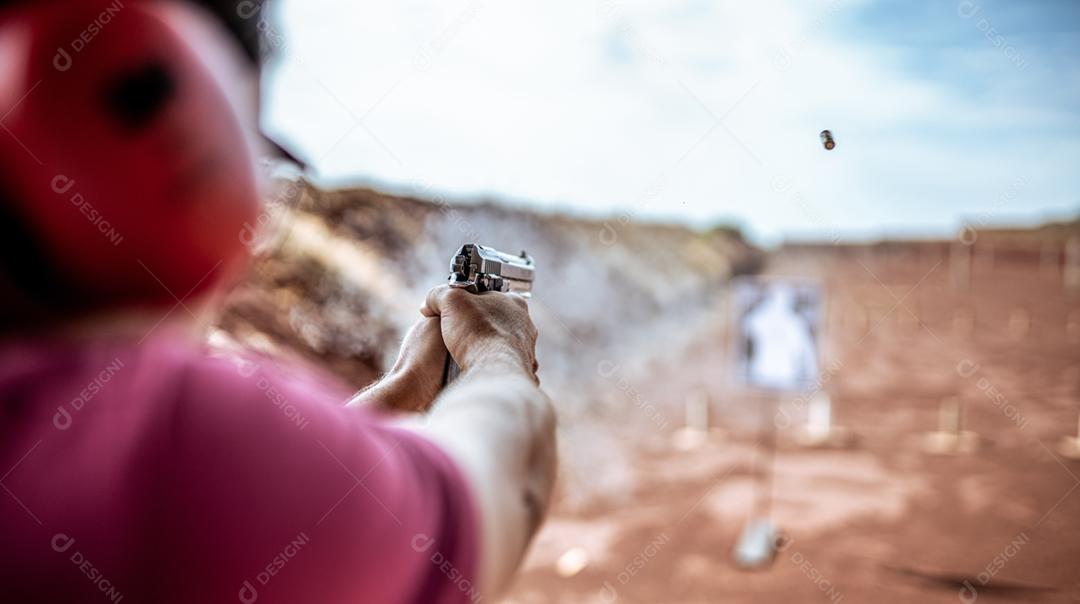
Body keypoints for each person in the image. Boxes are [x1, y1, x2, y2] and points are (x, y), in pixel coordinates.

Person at [0, 1, 556, 602]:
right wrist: (498, 351)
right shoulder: (169, 434)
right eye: (251, 152)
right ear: (162, 104)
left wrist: (405, 386)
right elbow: (503, 481)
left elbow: (265, 498)